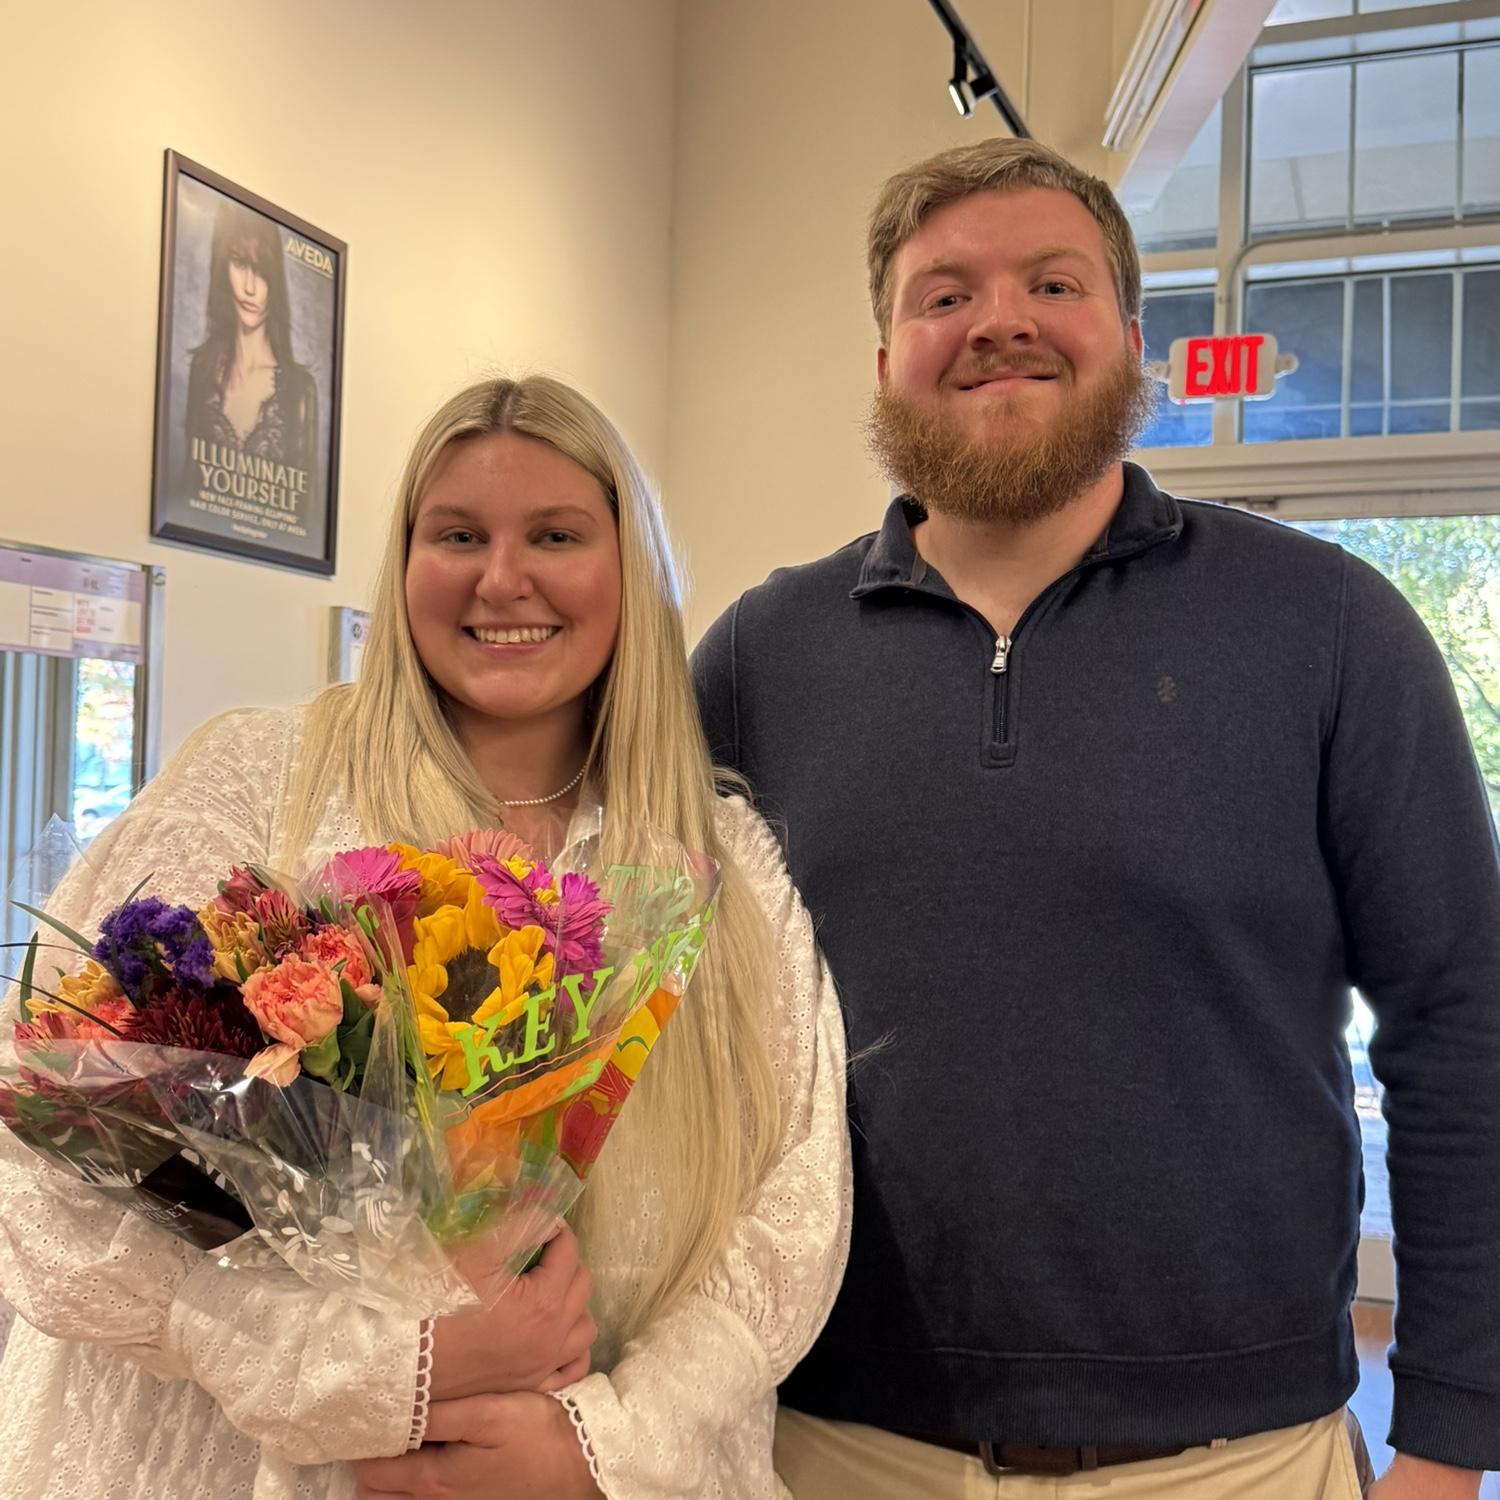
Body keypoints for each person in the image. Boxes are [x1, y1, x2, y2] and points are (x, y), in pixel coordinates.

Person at [692, 136, 1500, 1499]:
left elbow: (1465, 1028)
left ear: (1132, 339)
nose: (997, 318)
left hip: (1235, 1462)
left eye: (1050, 283)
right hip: (829, 1445)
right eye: (942, 294)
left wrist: (1452, 1434)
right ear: (884, 359)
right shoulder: (755, 662)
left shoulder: (1329, 630)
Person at [0, 375, 849, 1499]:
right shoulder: (261, 787)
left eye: (555, 534)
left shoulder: (723, 864)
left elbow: (796, 1207)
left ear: (631, 573)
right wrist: (366, 1370)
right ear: (404, 565)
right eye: (458, 535)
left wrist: (606, 1444)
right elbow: (40, 1160)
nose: (504, 579)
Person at [184, 198, 319, 486]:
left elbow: (308, 510)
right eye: (239, 263)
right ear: (223, 269)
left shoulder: (299, 389)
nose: (249, 287)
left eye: (262, 272)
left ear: (275, 283)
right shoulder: (203, 369)